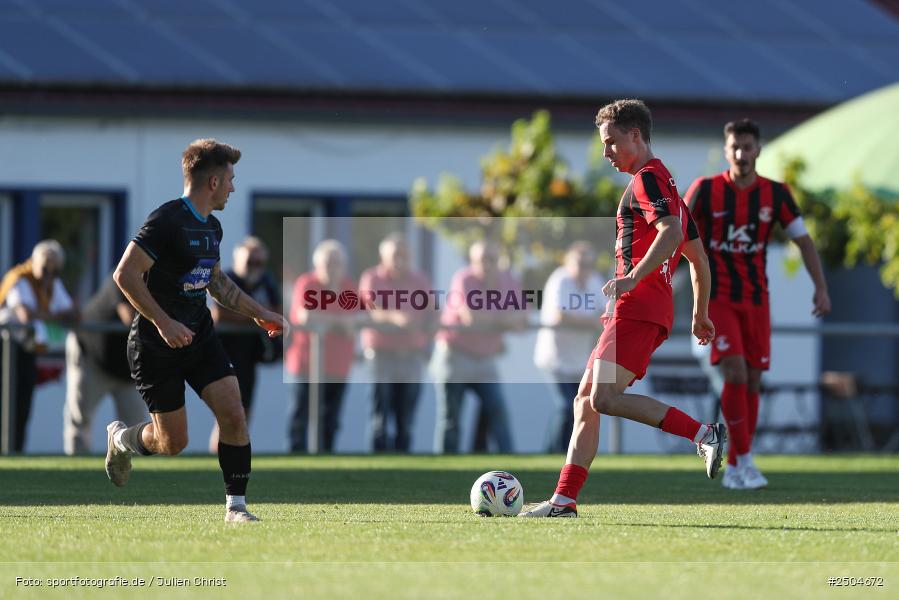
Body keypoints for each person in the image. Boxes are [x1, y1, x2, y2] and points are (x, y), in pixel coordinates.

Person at [520, 99, 724, 518]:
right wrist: (699, 313)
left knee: (605, 398)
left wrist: (633, 279)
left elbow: (669, 235)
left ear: (636, 135)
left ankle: (703, 433)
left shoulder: (649, 181)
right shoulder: (667, 183)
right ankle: (564, 500)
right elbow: (698, 258)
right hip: (640, 309)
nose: (605, 152)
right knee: (585, 401)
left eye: (611, 142)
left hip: (638, 307)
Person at [105, 139, 288, 523]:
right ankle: (122, 440)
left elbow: (217, 284)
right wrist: (163, 321)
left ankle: (236, 508)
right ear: (214, 182)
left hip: (199, 336)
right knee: (173, 443)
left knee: (234, 414)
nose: (234, 188)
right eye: (231, 180)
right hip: (156, 344)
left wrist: (260, 313)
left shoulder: (213, 227)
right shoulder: (167, 220)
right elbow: (125, 275)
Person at [683, 118, 831, 490]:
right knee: (733, 373)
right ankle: (739, 463)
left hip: (757, 300)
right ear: (725, 149)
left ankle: (742, 460)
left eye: (747, 147)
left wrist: (821, 288)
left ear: (758, 150)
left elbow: (804, 241)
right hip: (718, 299)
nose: (741, 154)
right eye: (734, 147)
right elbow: (675, 233)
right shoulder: (705, 190)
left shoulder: (776, 195)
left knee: (752, 379)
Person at [430, 240, 526, 454]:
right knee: (450, 418)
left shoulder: (508, 279)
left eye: (492, 259)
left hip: (485, 358)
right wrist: (505, 319)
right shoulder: (464, 278)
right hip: (454, 356)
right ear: (472, 262)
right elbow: (470, 317)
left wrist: (495, 319)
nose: (488, 264)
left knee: (498, 411)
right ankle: (443, 468)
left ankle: (512, 465)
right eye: (483, 260)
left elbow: (522, 315)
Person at [0, 240, 78, 452]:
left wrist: (45, 315)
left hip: (28, 350)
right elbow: (25, 315)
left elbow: (72, 311)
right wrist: (54, 316)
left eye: (54, 272)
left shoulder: (52, 284)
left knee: (22, 405)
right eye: (45, 269)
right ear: (34, 263)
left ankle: (15, 451)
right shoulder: (20, 279)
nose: (48, 276)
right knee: (6, 403)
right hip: (7, 348)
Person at [359, 233, 431, 452]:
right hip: (381, 355)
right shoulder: (372, 277)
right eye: (395, 255)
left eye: (404, 255)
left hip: (411, 355)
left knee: (406, 418)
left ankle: (404, 466)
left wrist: (432, 328)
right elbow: (370, 309)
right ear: (384, 256)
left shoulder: (419, 279)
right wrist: (396, 317)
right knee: (379, 418)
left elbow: (432, 311)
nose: (400, 259)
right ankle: (376, 469)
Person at [208, 236, 281, 452]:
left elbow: (277, 311)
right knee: (227, 415)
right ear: (238, 259)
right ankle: (216, 460)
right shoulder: (226, 279)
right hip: (223, 354)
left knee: (244, 413)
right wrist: (258, 315)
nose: (255, 267)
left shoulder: (265, 281)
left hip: (249, 356)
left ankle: (231, 460)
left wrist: (254, 315)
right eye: (250, 262)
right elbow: (219, 315)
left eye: (259, 262)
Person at [534, 241, 607, 452]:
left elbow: (604, 314)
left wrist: (591, 320)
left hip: (579, 359)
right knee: (565, 406)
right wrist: (590, 321)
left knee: (578, 408)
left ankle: (564, 453)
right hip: (554, 358)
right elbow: (561, 315)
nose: (584, 268)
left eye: (588, 263)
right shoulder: (560, 280)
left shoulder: (594, 281)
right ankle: (554, 453)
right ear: (568, 262)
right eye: (580, 263)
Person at [64, 275, 148, 455]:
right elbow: (132, 319)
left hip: (129, 370)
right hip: (92, 357)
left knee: (137, 426)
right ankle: (74, 473)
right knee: (80, 418)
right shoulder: (125, 274)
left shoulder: (167, 282)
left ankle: (136, 477)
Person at [286, 239, 356, 453]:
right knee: (301, 417)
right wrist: (338, 322)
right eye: (328, 262)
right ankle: (295, 461)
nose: (332, 267)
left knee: (331, 419)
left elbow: (355, 322)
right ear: (317, 264)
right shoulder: (307, 283)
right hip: (307, 364)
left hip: (338, 365)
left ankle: (327, 460)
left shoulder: (349, 287)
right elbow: (304, 316)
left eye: (336, 262)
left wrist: (327, 321)